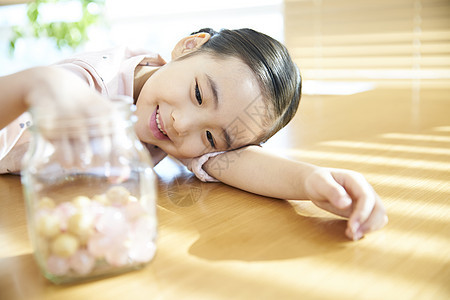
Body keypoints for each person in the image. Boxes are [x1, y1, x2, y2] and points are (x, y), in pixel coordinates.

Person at [0, 28, 387, 241]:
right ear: (188, 47)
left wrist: (311, 180)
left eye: (211, 137)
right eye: (200, 94)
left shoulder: (175, 121)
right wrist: (38, 82)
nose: (183, 125)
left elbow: (234, 162)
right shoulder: (91, 83)